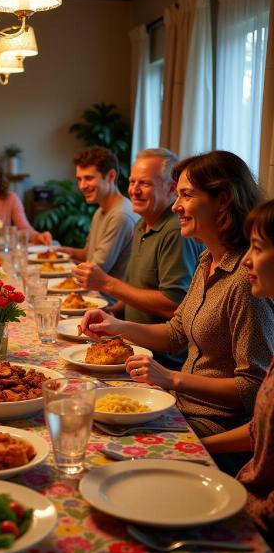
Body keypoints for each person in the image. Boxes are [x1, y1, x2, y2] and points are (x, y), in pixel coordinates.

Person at [80, 150, 274, 474]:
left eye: (186, 195)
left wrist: (172, 379)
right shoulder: (207, 262)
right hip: (181, 408)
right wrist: (115, 325)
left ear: (222, 200)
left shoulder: (245, 281)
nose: (175, 206)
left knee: (113, 458)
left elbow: (252, 390)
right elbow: (175, 333)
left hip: (216, 426)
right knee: (97, 432)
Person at [72, 148, 202, 368]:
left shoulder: (174, 231)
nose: (134, 190)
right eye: (132, 182)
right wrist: (111, 313)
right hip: (128, 346)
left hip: (159, 360)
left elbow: (174, 304)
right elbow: (137, 288)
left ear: (172, 189)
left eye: (145, 184)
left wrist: (106, 284)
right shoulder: (142, 223)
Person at [202, 200, 274, 546]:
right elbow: (262, 432)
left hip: (258, 519)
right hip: (244, 491)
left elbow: (248, 389)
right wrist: (195, 447)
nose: (247, 258)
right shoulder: (206, 262)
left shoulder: (244, 289)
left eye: (257, 248)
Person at [62, 146, 139, 280]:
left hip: (107, 298)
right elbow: (89, 254)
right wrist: (62, 252)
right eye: (79, 179)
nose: (82, 186)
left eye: (88, 178)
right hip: (95, 291)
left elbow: (94, 270)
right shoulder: (100, 211)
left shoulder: (121, 215)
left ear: (110, 176)